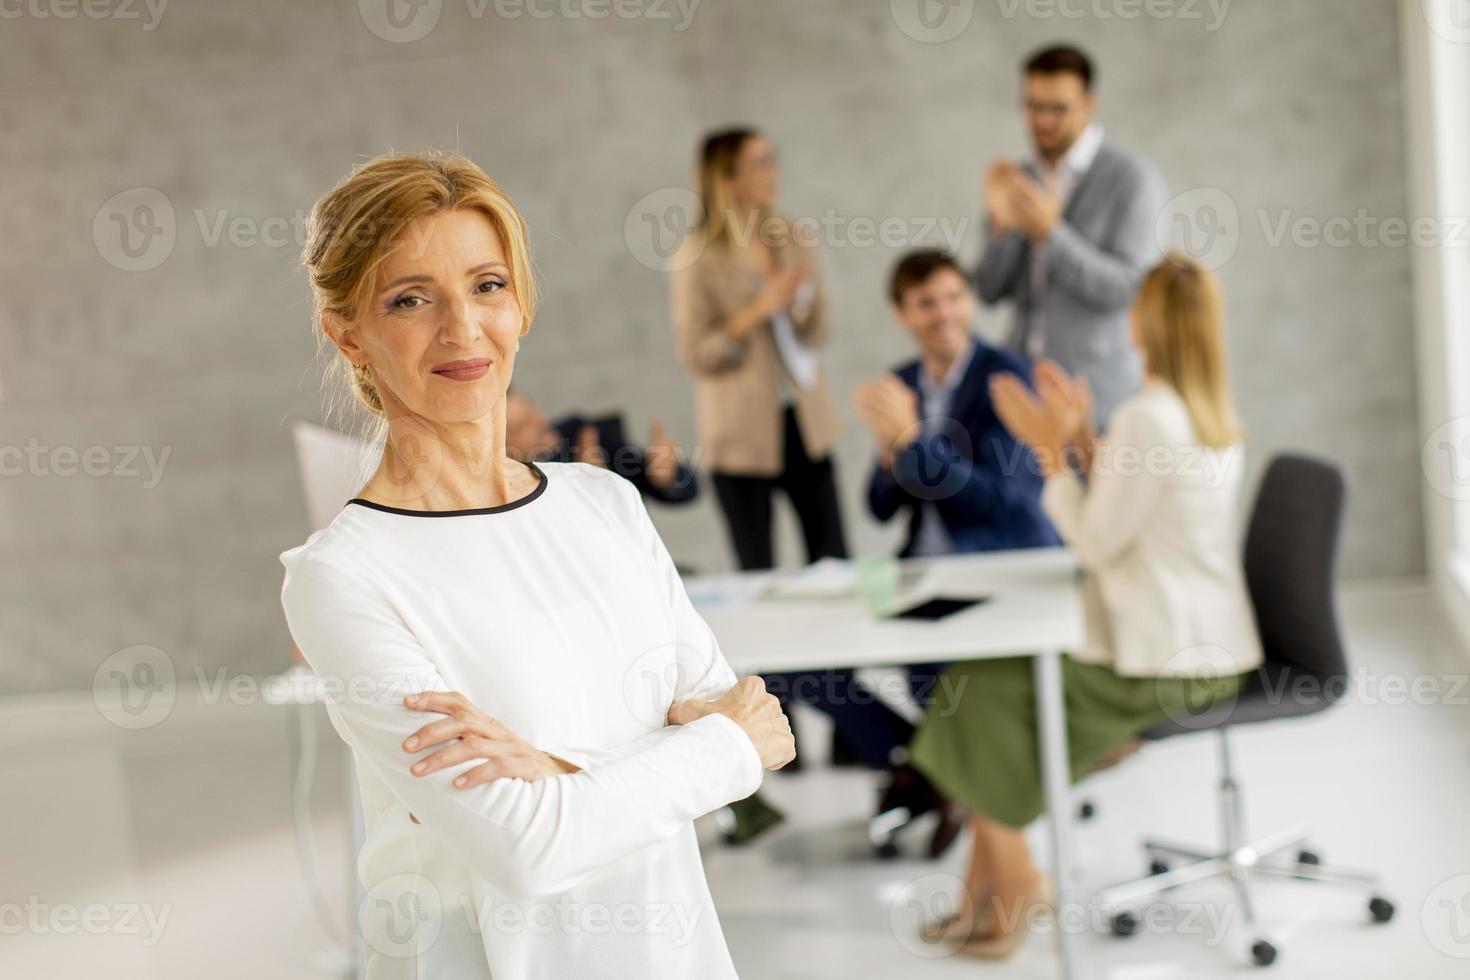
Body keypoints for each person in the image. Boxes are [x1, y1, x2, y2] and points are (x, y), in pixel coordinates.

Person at [280, 151, 794, 980]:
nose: (462, 329)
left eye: (487, 286)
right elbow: (526, 848)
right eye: (410, 299)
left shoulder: (604, 504)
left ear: (520, 303)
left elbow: (757, 734)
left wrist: (555, 771)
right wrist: (692, 754)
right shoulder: (342, 576)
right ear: (348, 333)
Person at [910, 254, 1263, 958]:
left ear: (1145, 324)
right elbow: (1140, 504)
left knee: (975, 691)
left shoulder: (1147, 417)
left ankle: (1016, 885)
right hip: (1205, 642)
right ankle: (985, 888)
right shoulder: (1202, 412)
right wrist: (1076, 440)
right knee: (982, 679)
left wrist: (1049, 454)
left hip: (1164, 660)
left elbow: (1097, 541)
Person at [771, 250, 1059, 858]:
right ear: (903, 313)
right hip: (916, 570)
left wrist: (912, 441)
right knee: (795, 658)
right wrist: (889, 455)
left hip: (993, 570)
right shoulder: (899, 383)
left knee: (941, 685)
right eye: (927, 303)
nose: (944, 314)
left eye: (954, 297)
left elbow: (1005, 501)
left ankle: (936, 776)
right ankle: (929, 770)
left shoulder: (1008, 378)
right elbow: (880, 506)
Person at [671, 126, 848, 571]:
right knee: (757, 568)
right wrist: (757, 310)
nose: (775, 170)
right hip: (740, 434)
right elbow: (696, 353)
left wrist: (799, 306)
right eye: (761, 162)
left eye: (773, 157)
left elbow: (820, 329)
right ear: (727, 176)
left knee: (833, 559)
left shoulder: (792, 236)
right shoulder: (696, 255)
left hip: (805, 421)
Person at [975, 44, 1169, 426]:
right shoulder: (1021, 177)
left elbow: (1131, 289)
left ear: (1088, 105)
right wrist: (1000, 230)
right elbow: (988, 290)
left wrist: (1051, 235)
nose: (1043, 120)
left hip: (1096, 399)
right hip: (1023, 392)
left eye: (1058, 108)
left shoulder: (1131, 179)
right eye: (1032, 106)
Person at [503, 387, 698, 505]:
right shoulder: (503, 489)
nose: (541, 420)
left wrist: (667, 477)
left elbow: (687, 491)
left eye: (532, 409)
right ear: (504, 450)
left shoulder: (582, 435)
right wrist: (590, 487)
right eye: (524, 425)